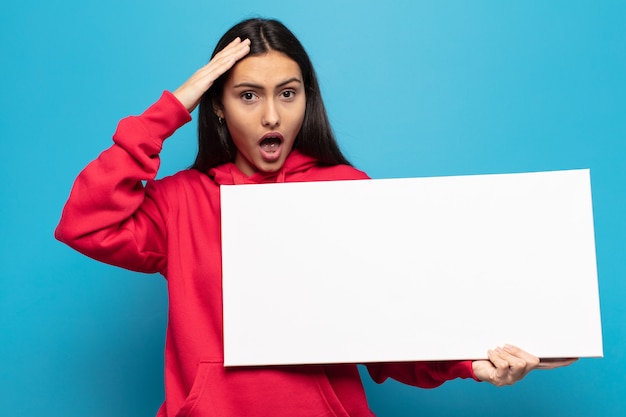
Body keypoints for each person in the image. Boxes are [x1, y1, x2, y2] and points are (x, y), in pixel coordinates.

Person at [55, 17, 575, 417]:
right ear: (217, 106)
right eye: (247, 95)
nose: (271, 116)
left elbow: (390, 333)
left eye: (288, 93)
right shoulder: (182, 202)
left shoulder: (346, 191)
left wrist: (471, 365)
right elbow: (85, 222)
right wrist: (174, 106)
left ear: (307, 97)